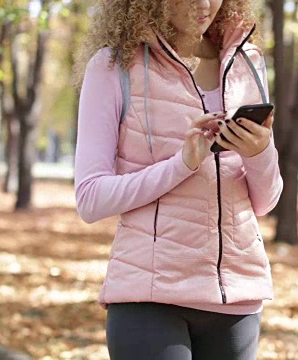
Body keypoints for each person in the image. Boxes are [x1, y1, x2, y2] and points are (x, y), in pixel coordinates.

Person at [73, 0, 283, 359]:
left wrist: (259, 153)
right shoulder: (114, 67)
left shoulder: (247, 62)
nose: (204, 4)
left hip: (236, 299)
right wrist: (181, 164)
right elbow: (91, 199)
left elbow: (265, 201)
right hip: (150, 299)